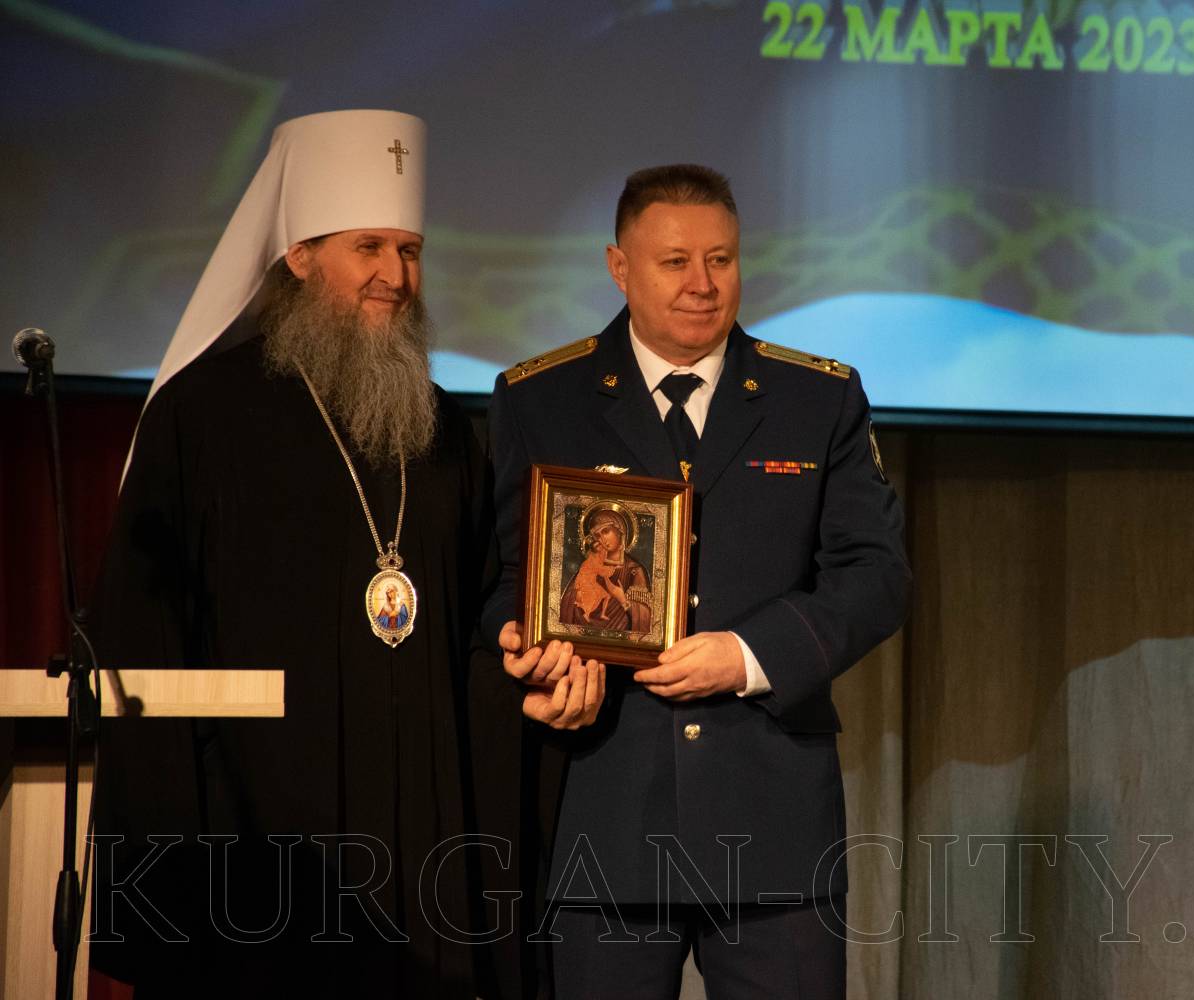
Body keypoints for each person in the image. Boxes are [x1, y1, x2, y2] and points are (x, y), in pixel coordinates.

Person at [90, 109, 602, 999]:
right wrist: (171, 869)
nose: (395, 277)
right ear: (298, 255)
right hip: (256, 847)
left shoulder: (444, 432)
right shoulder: (201, 417)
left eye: (410, 251)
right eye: (368, 247)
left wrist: (531, 663)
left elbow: (481, 618)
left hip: (418, 849)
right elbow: (145, 637)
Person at [483, 164, 911, 999]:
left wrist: (749, 655)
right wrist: (525, 652)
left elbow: (877, 577)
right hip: (603, 815)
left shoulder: (816, 397)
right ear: (619, 268)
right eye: (675, 262)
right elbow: (504, 577)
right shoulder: (541, 399)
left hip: (772, 826)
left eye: (721, 259)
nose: (703, 284)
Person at [560, 506, 652, 632]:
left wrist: (622, 599)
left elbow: (645, 619)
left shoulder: (634, 570)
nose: (602, 539)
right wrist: (578, 595)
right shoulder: (591, 566)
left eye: (606, 531)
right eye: (597, 535)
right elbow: (567, 606)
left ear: (620, 529)